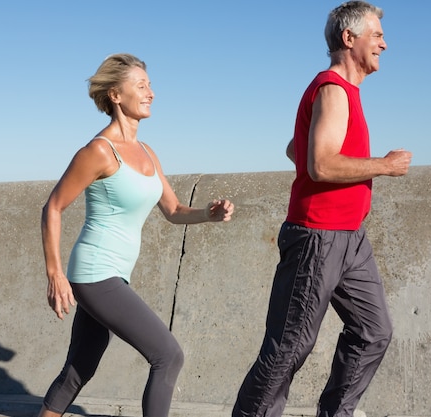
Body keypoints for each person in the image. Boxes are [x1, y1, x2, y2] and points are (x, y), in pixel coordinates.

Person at [232, 2, 412, 417]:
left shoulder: (345, 93)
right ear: (349, 39)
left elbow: (297, 148)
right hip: (318, 235)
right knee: (289, 347)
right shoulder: (332, 88)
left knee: (373, 331)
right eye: (377, 35)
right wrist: (384, 166)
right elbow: (320, 163)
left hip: (350, 237)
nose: (385, 43)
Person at [38, 53, 234, 417]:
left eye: (150, 85)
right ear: (115, 94)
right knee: (168, 355)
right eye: (141, 86)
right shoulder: (99, 151)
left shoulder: (147, 152)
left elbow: (173, 210)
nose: (151, 93)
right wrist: (55, 275)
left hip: (115, 274)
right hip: (96, 273)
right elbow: (53, 207)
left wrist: (209, 213)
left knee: (77, 371)